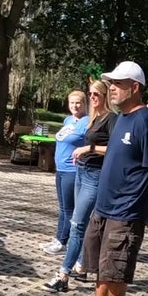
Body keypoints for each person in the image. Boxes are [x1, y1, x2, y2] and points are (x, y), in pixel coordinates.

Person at [62, 61, 148, 296]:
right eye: (111, 83)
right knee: (101, 265)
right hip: (105, 207)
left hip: (125, 212)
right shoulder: (122, 118)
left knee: (116, 270)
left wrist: (136, 194)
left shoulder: (145, 122)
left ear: (135, 88)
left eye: (118, 84)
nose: (112, 88)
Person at [43, 80, 116, 292]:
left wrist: (88, 148)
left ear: (105, 97)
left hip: (94, 176)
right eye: (91, 94)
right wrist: (81, 154)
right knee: (80, 222)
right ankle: (82, 266)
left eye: (96, 95)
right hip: (82, 172)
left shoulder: (111, 118)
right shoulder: (94, 118)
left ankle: (63, 275)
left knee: (77, 224)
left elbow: (113, 148)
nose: (93, 97)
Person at [39, 91, 88, 257]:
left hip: (71, 171)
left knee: (69, 209)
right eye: (72, 103)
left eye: (78, 103)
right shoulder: (68, 120)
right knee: (62, 208)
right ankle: (58, 238)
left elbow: (91, 143)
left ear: (84, 104)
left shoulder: (86, 122)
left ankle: (63, 242)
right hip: (60, 169)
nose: (75, 106)